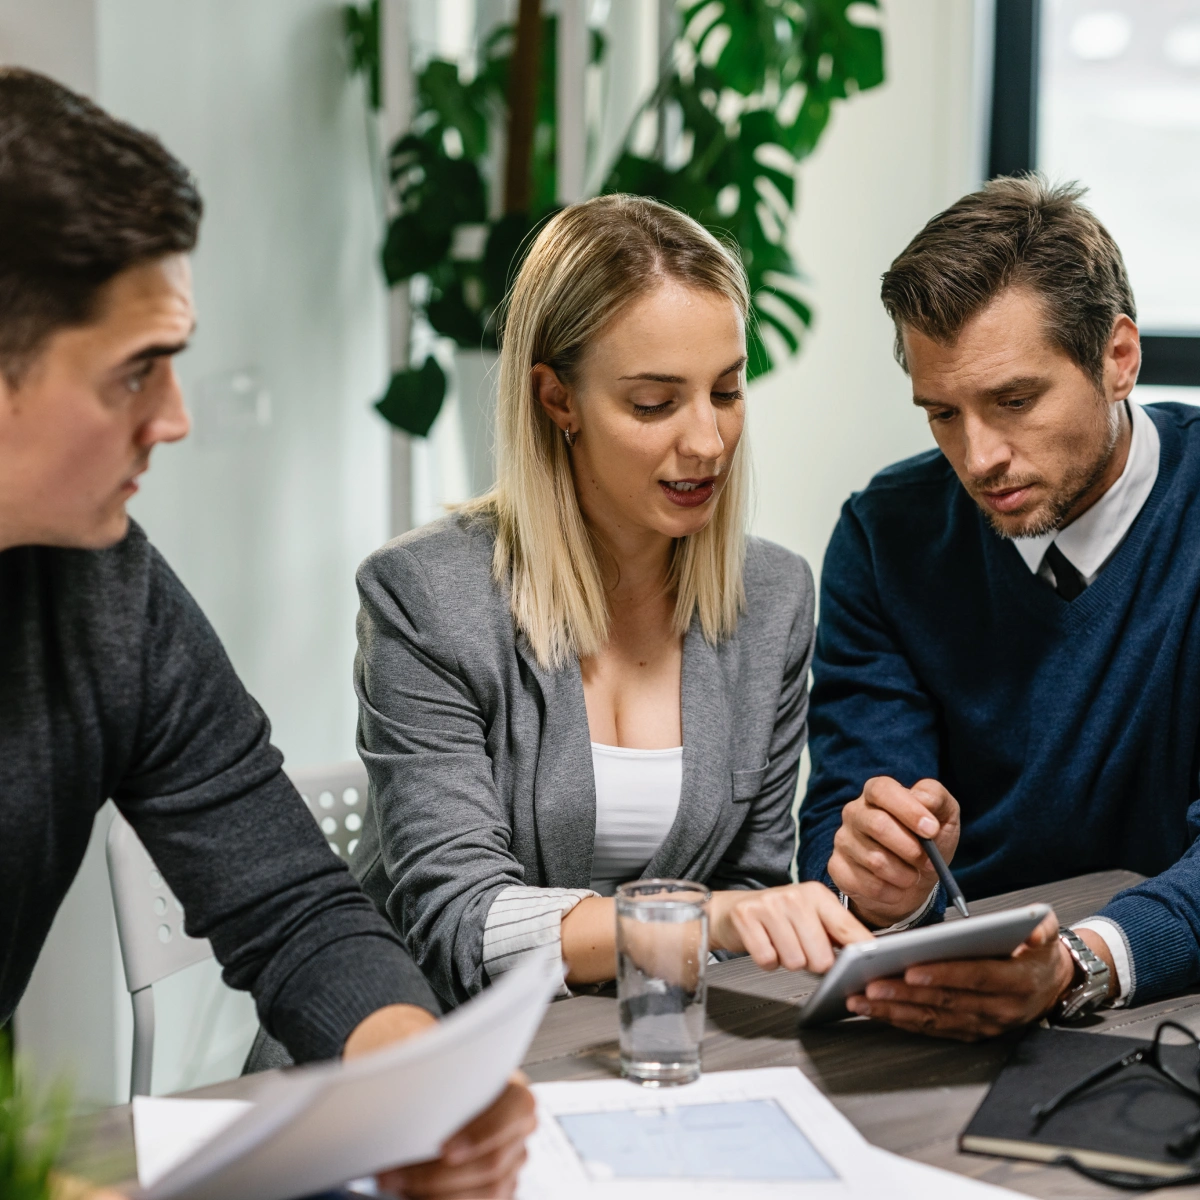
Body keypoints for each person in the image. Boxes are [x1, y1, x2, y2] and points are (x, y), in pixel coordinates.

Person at [0, 68, 532, 1199]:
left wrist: (413, 1082)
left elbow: (290, 904)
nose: (176, 418)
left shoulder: (110, 598)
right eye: (135, 372)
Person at [350, 194, 872, 1009]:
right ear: (557, 400)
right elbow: (462, 922)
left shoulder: (770, 597)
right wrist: (707, 919)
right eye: (654, 403)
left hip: (639, 1047)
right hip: (421, 1057)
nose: (706, 442)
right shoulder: (427, 598)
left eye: (727, 392)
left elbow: (754, 884)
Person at [798, 174, 1200, 1039]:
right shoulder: (885, 538)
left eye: (1015, 401)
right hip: (951, 1009)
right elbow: (843, 826)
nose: (979, 457)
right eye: (943, 413)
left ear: (1118, 358)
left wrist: (1084, 963)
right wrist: (885, 887)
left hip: (1167, 1004)